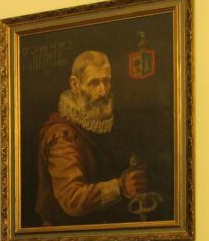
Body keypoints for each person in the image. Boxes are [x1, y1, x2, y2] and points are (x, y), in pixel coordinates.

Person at [35, 50, 150, 226]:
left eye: (106, 81)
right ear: (75, 85)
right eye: (94, 83)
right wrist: (120, 187)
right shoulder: (61, 134)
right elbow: (72, 199)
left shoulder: (107, 122)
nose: (103, 92)